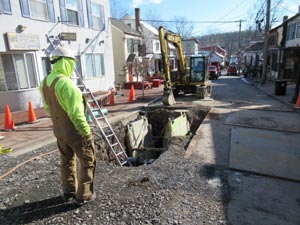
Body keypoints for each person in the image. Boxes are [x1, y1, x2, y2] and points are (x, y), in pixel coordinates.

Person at [39, 46, 96, 206]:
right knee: (87, 161)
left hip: (59, 130)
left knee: (67, 160)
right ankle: (84, 195)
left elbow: (48, 108)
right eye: (72, 62)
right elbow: (76, 114)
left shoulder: (44, 83)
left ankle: (69, 191)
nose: (73, 66)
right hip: (75, 132)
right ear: (66, 62)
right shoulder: (67, 85)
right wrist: (87, 133)